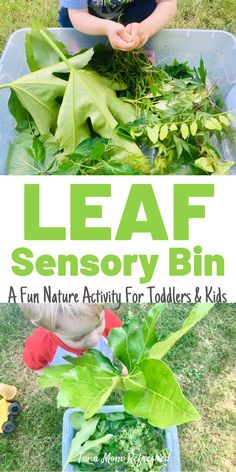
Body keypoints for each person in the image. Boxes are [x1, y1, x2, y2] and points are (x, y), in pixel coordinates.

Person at [20, 303, 123, 372]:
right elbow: (37, 366)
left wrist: (126, 363)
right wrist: (58, 381)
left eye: (98, 325)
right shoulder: (39, 346)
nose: (94, 341)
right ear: (47, 328)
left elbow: (123, 343)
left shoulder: (111, 322)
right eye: (78, 338)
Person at [58, 0, 177, 51]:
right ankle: (79, 47)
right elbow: (78, 14)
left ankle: (140, 47)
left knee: (149, 5)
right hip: (89, 17)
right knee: (66, 15)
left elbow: (167, 3)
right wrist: (106, 27)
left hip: (130, 14)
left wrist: (146, 28)